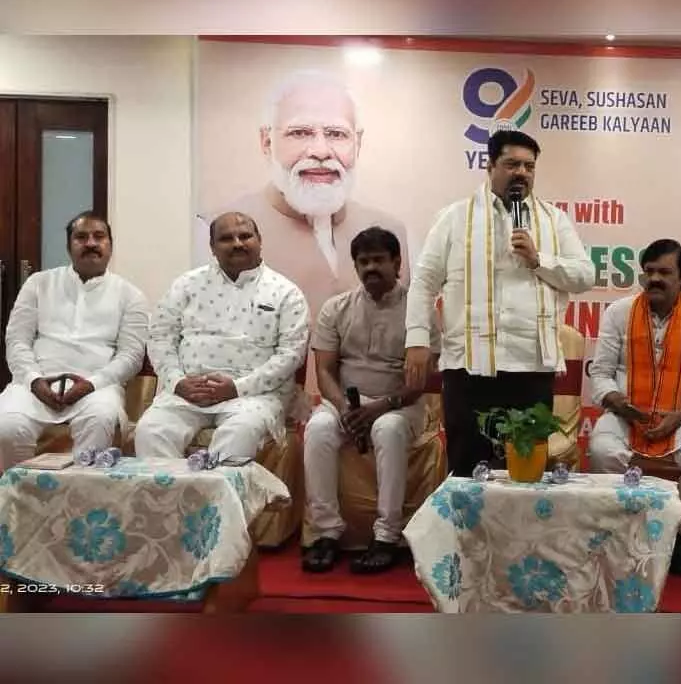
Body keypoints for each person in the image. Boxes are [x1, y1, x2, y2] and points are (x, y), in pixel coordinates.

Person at [405, 130, 594, 476]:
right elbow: (423, 283)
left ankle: (519, 531)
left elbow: (585, 275)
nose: (521, 172)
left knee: (525, 473)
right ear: (490, 166)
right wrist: (418, 339)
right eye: (512, 164)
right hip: (470, 368)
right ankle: (466, 532)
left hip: (531, 367)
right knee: (467, 468)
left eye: (529, 166)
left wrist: (540, 260)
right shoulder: (454, 218)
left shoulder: (554, 221)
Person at [200, 70, 411, 320]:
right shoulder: (212, 231)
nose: (321, 151)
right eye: (300, 133)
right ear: (267, 142)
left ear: (358, 142)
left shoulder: (393, 231)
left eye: (336, 134)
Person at [302, 226, 438, 575]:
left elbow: (421, 381)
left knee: (389, 430)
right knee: (317, 428)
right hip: (347, 402)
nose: (370, 268)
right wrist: (345, 408)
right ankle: (326, 532)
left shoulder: (419, 312)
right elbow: (326, 371)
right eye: (363, 262)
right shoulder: (337, 308)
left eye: (379, 260)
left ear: (397, 262)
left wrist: (380, 407)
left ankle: (386, 536)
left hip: (399, 404)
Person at [589, 239, 681, 575]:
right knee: (603, 450)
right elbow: (601, 374)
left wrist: (677, 418)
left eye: (665, 272)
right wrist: (619, 403)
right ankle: (625, 534)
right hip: (626, 412)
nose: (655, 279)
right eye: (649, 271)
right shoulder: (618, 313)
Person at [135, 212, 309, 460]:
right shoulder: (187, 285)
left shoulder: (285, 292)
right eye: (227, 238)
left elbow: (292, 354)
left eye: (245, 236)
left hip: (254, 396)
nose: (238, 243)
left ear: (260, 240)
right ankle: (174, 498)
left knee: (240, 433)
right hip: (188, 391)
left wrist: (237, 388)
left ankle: (217, 500)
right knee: (150, 432)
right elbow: (160, 336)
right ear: (212, 247)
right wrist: (177, 382)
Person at [0, 212, 149, 468]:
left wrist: (91, 384)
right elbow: (17, 341)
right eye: (81, 237)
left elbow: (131, 357)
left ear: (110, 246)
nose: (91, 243)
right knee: (7, 427)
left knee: (101, 420)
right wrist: (34, 381)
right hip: (35, 384)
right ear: (69, 247)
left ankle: (81, 502)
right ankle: (21, 500)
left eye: (99, 237)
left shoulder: (130, 295)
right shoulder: (38, 284)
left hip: (96, 388)